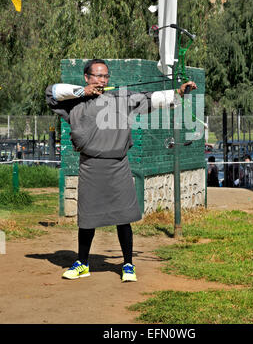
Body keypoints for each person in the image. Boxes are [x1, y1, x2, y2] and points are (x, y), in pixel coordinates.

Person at [46, 59, 197, 282]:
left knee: (123, 218)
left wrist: (178, 92)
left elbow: (151, 98)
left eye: (106, 76)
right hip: (90, 166)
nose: (102, 80)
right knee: (87, 219)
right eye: (97, 76)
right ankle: (83, 263)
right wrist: (82, 92)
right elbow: (51, 93)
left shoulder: (120, 98)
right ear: (87, 77)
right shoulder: (73, 102)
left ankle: (128, 264)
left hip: (118, 165)